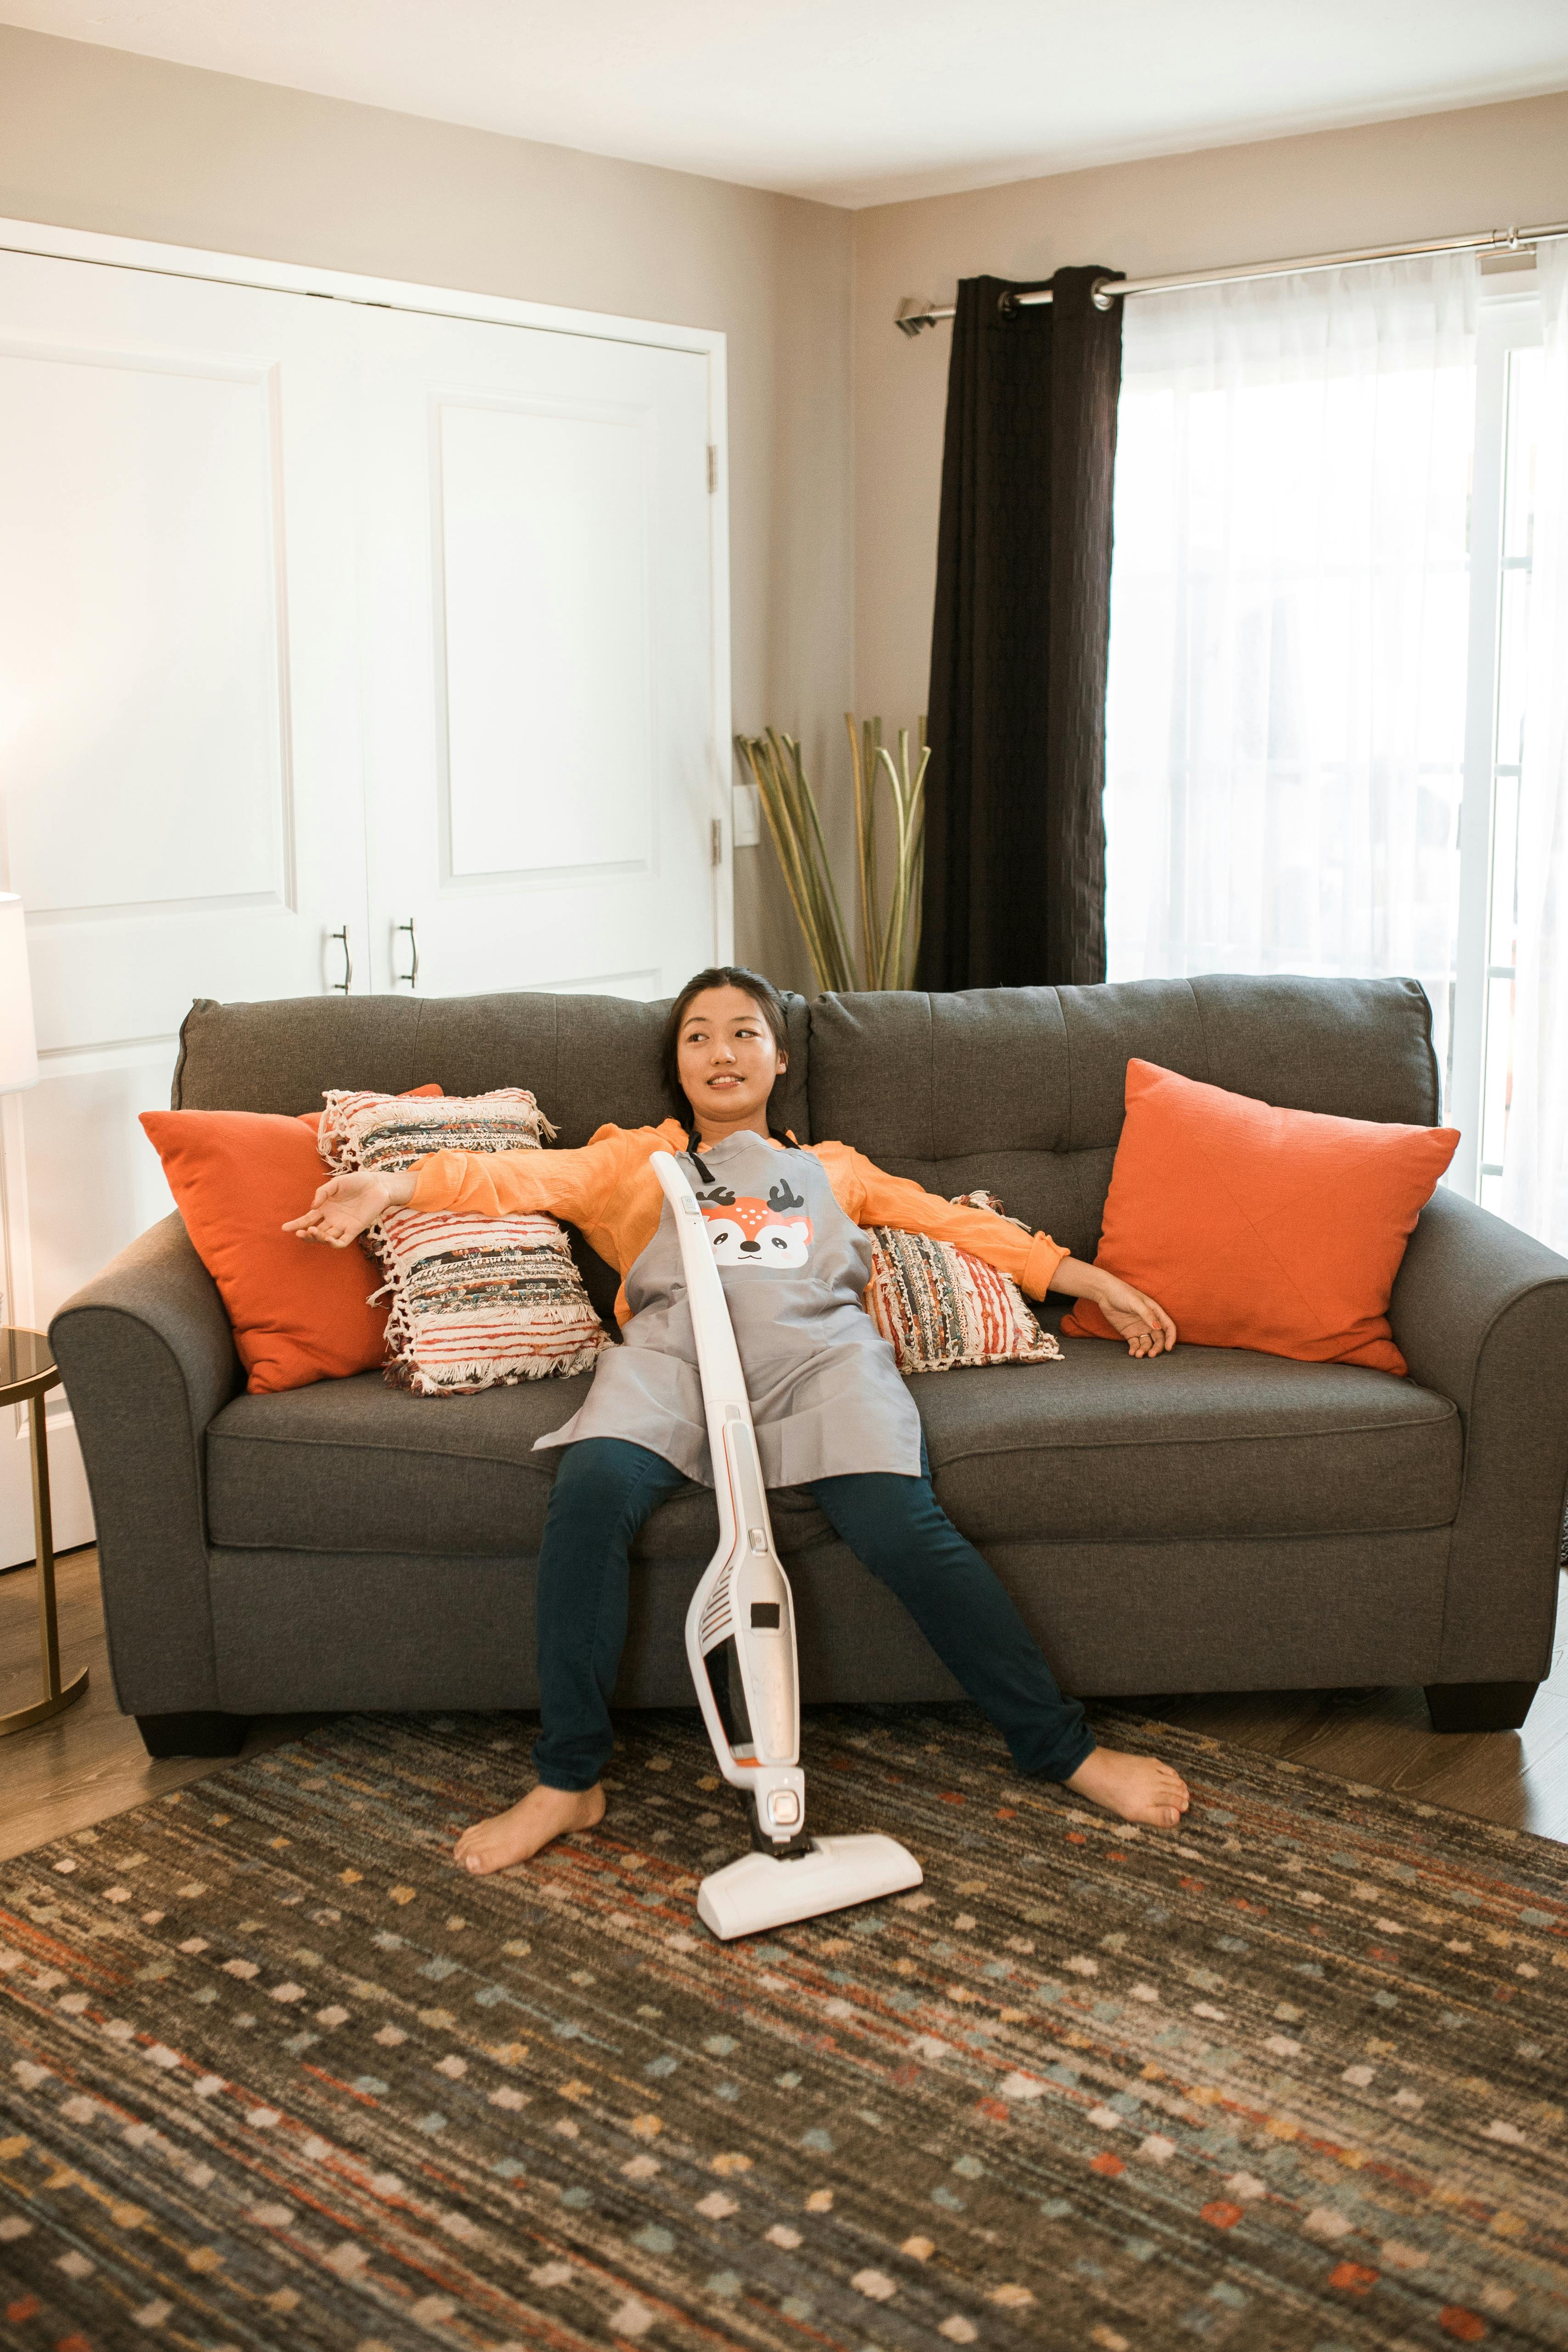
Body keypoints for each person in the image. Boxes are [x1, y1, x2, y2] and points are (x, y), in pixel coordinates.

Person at [285, 966, 1190, 1871]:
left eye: (744, 1032)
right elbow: (517, 1174)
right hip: (672, 1365)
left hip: (822, 1367)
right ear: (677, 1067)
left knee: (902, 1526)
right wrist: (394, 1187)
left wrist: (1087, 1278)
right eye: (699, 1035)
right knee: (590, 1494)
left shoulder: (835, 1170)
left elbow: (957, 1226)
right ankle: (569, 1781)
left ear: (779, 1056)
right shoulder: (632, 1162)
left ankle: (1062, 1747)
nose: (723, 1050)